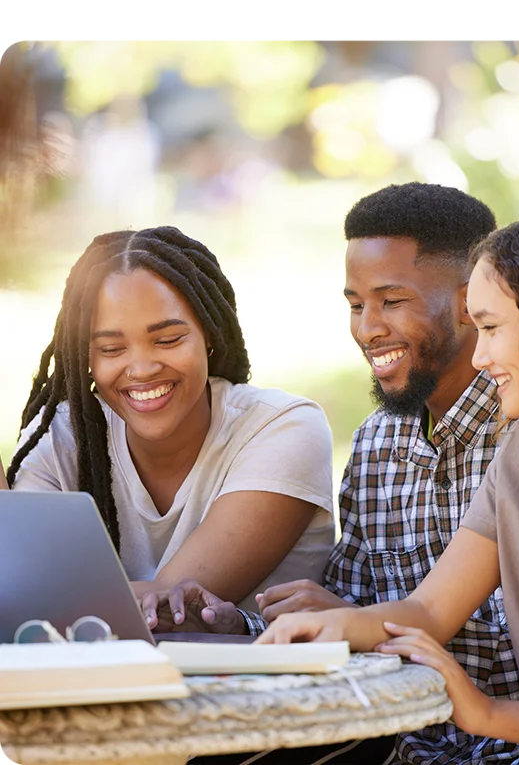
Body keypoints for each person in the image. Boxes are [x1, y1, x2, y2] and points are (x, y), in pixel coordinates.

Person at [157, 184, 519, 765]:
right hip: (391, 741)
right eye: (356, 304)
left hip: (513, 747)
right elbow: (347, 608)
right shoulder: (375, 444)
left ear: (469, 302)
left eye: (391, 301)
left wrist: (360, 624)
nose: (367, 329)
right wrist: (240, 625)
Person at [259, 207, 519, 765]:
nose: (479, 357)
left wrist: (491, 716)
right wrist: (330, 626)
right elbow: (430, 611)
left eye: (491, 328)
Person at [5, 226, 335, 614]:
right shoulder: (61, 437)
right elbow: (19, 590)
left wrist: (40, 595)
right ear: (85, 358)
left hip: (258, 675)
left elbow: (170, 605)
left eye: (168, 340)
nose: (142, 368)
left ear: (208, 335)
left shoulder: (283, 429)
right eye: (111, 348)